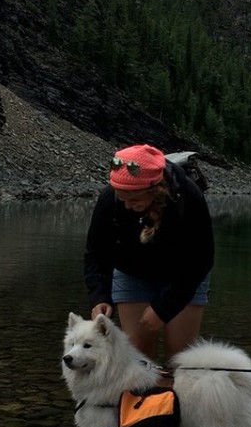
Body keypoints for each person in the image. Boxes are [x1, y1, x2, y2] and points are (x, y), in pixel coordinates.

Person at [83, 143, 214, 361]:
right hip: (132, 274)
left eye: (134, 200)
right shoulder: (110, 198)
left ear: (156, 191)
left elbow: (201, 260)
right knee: (137, 352)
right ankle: (144, 395)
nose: (126, 205)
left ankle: (177, 394)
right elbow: (96, 252)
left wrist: (163, 309)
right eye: (121, 198)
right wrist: (99, 296)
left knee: (180, 354)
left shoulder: (188, 197)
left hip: (183, 276)